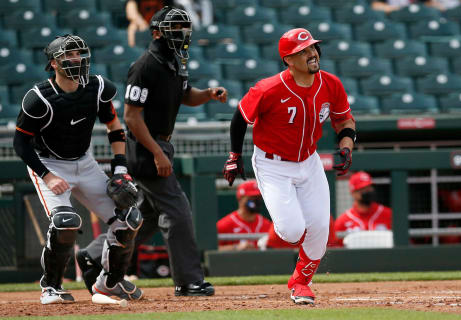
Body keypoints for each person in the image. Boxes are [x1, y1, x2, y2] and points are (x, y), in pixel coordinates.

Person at [77, 6, 228, 296]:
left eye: (185, 28)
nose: (182, 33)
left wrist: (208, 94)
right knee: (177, 210)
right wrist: (157, 153)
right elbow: (132, 117)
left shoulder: (175, 61)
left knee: (144, 216)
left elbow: (185, 95)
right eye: (175, 28)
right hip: (146, 146)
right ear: (157, 31)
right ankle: (188, 281)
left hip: (160, 144)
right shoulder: (146, 65)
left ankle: (94, 255)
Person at [223, 28, 356, 305]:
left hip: (309, 161)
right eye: (303, 51)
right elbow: (240, 117)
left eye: (312, 48)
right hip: (273, 164)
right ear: (288, 59)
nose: (312, 54)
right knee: (293, 230)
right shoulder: (268, 88)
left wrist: (346, 146)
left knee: (321, 227)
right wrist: (234, 156)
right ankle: (285, 235)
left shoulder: (330, 84)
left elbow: (345, 121)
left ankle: (300, 282)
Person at [13, 34, 143, 304]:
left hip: (85, 161)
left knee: (129, 217)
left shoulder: (97, 87)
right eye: (68, 56)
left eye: (79, 54)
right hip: (47, 162)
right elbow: (20, 144)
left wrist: (120, 169)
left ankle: (109, 283)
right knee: (65, 223)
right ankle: (51, 287)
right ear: (54, 64)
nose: (76, 60)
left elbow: (115, 128)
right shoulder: (39, 98)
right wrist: (47, 176)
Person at [333, 171, 392, 247]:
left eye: (369, 187)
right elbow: (336, 249)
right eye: (363, 189)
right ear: (353, 193)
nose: (368, 191)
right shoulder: (343, 221)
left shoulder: (388, 214)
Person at [216, 180, 272, 251]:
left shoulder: (267, 224)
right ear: (240, 199)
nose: (256, 201)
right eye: (252, 198)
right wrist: (236, 248)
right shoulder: (224, 224)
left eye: (258, 197)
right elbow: (212, 250)